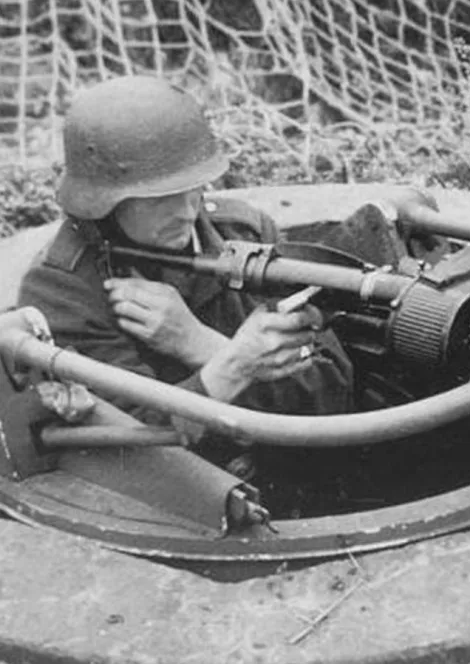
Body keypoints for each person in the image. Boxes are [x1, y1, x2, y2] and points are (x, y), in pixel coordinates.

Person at [17, 75, 355, 458]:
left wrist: (199, 344)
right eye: (160, 198)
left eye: (193, 187)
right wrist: (229, 368)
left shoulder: (244, 234)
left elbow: (331, 391)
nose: (186, 211)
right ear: (105, 200)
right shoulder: (63, 289)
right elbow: (136, 449)